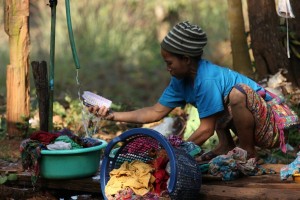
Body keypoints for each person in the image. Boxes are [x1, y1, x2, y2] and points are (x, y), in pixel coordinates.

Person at [89, 21, 294, 163]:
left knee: (235, 94)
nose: (167, 67)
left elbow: (205, 129)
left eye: (169, 62)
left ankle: (248, 151)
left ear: (186, 59)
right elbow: (155, 112)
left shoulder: (206, 79)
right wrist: (112, 115)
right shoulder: (180, 80)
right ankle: (226, 145)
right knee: (217, 102)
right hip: (249, 122)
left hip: (270, 127)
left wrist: (174, 152)